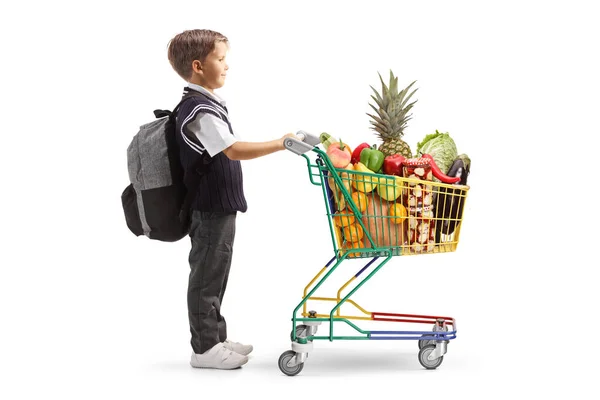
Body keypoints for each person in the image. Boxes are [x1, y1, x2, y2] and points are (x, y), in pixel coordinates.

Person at [167, 29, 295, 369]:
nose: (227, 66)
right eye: (220, 59)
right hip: (209, 208)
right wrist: (280, 143)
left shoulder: (206, 104)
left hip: (219, 206)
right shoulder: (198, 111)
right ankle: (205, 349)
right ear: (198, 66)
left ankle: (216, 338)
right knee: (207, 275)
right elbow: (233, 150)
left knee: (217, 273)